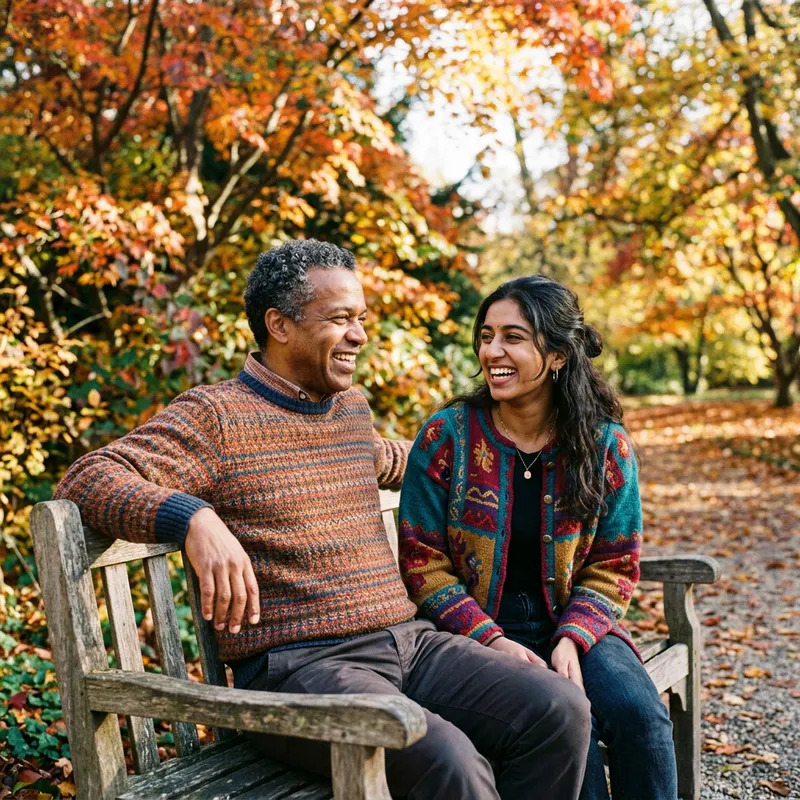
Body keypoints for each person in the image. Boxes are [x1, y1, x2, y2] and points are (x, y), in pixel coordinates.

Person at [55, 241, 591, 799]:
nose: (359, 334)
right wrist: (193, 518)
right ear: (279, 325)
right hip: (303, 672)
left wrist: (533, 458)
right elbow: (90, 477)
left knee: (559, 708)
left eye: (360, 318)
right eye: (341, 319)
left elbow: (411, 460)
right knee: (449, 760)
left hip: (411, 644)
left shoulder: (349, 410)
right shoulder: (217, 416)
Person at [398, 274, 678, 800]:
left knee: (641, 717)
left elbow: (615, 563)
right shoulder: (449, 436)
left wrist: (572, 638)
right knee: (574, 734)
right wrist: (491, 639)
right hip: (474, 634)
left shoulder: (603, 444)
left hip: (575, 623)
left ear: (556, 355)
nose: (492, 351)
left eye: (513, 337)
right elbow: (421, 561)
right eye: (486, 335)